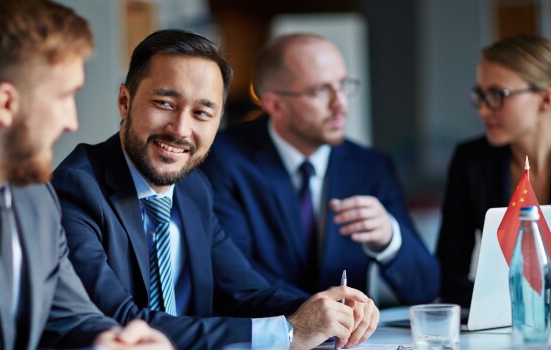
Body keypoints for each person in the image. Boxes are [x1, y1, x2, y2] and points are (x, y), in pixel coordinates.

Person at [52, 29, 380, 350]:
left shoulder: (194, 187)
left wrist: (331, 310)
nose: (180, 129)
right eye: (165, 103)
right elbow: (121, 322)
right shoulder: (77, 188)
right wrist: (287, 334)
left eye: (202, 113)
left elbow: (246, 291)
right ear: (125, 101)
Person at [0, 1, 173, 349]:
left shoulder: (36, 197)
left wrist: (111, 341)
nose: (71, 122)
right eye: (65, 96)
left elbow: (70, 316)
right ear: (5, 104)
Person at [200, 33, 439, 305]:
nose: (340, 104)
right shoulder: (222, 159)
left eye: (343, 85)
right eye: (320, 91)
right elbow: (235, 277)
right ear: (275, 104)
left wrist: (389, 240)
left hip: (352, 343)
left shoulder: (371, 167)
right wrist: (319, 316)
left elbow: (425, 289)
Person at [437, 34, 551, 307]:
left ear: (546, 99)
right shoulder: (471, 161)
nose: (484, 110)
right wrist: (495, 311)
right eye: (481, 95)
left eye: (498, 95)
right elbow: (449, 272)